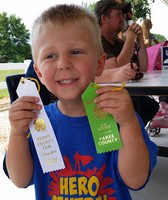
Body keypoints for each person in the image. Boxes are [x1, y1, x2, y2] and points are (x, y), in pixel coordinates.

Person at [3, 4, 158, 200]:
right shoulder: (37, 122)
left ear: (99, 63)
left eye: (75, 52)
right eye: (50, 56)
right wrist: (17, 132)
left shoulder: (121, 117)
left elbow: (135, 180)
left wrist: (128, 123)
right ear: (39, 72)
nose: (63, 63)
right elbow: (20, 179)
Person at [94, 0, 159, 126]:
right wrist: (130, 38)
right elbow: (116, 67)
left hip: (123, 93)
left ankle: (134, 132)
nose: (123, 18)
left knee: (150, 106)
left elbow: (143, 67)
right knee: (140, 105)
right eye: (118, 14)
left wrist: (139, 40)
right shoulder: (96, 41)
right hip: (106, 99)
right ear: (104, 18)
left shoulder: (118, 43)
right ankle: (130, 133)